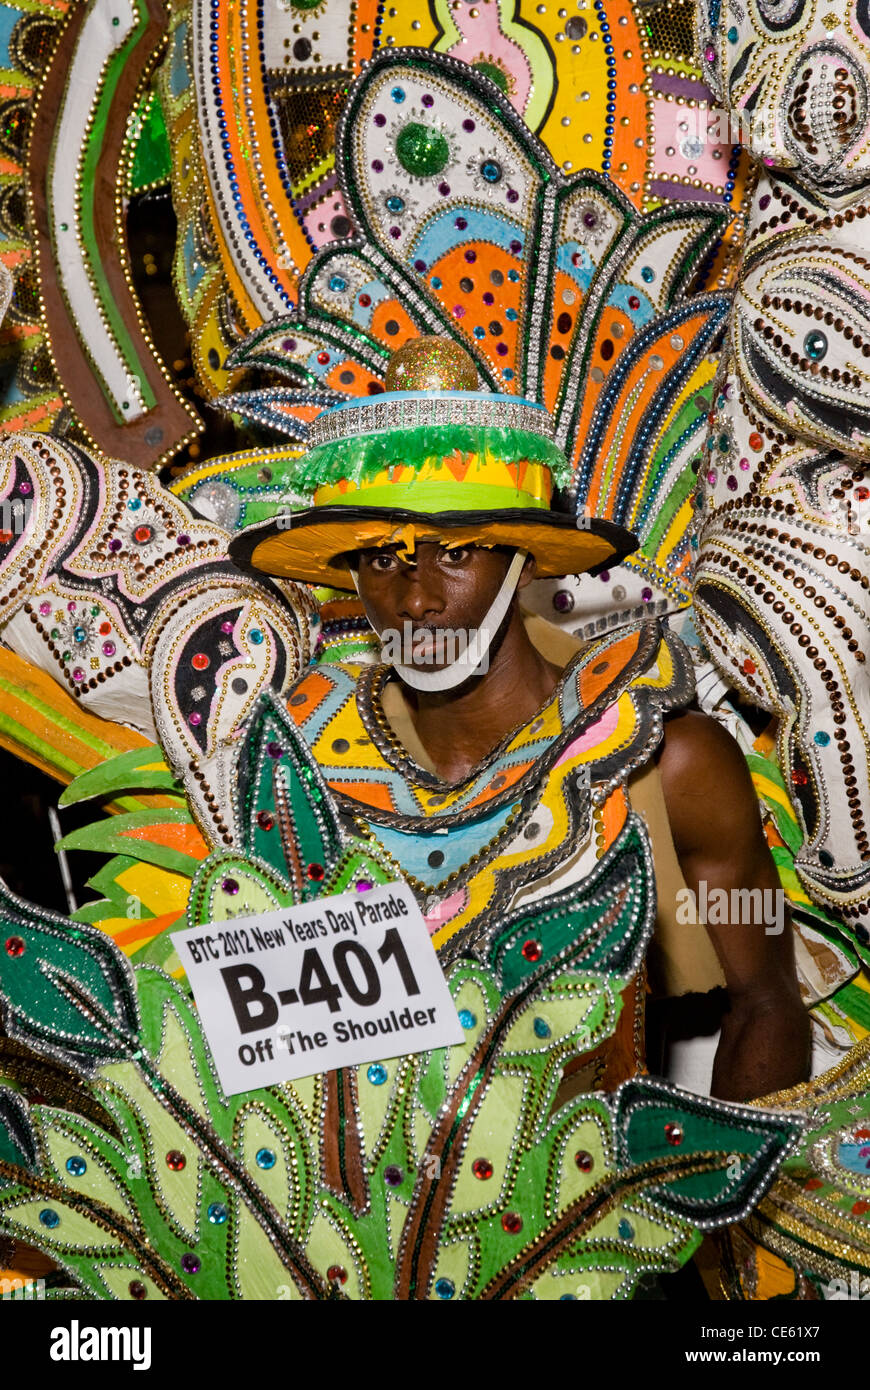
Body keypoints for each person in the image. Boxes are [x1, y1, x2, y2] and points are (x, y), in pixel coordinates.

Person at [231, 335, 810, 1105]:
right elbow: (274, 1059)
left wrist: (703, 1207)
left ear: (525, 561)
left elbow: (766, 1002)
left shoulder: (669, 762)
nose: (418, 599)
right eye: (382, 559)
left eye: (459, 552)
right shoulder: (298, 771)